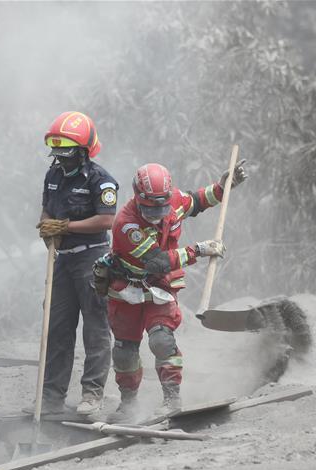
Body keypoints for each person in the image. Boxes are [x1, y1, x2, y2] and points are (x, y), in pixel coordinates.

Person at [96, 160, 247, 423]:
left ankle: (171, 398)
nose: (157, 215)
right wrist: (198, 250)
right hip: (126, 290)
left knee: (161, 340)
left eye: (162, 207)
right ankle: (128, 403)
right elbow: (159, 261)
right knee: (124, 351)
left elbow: (197, 201)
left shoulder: (175, 200)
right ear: (137, 197)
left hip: (160, 288)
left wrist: (223, 187)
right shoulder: (125, 224)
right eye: (149, 209)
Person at [32, 111, 117, 417]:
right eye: (58, 154)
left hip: (92, 258)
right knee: (56, 328)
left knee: (95, 329)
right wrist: (46, 227)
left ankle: (93, 395)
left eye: (67, 155)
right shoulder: (52, 175)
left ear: (83, 152)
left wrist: (65, 227)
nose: (61, 161)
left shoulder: (101, 180)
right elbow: (46, 210)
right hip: (62, 260)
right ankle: (51, 397)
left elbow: (106, 220)